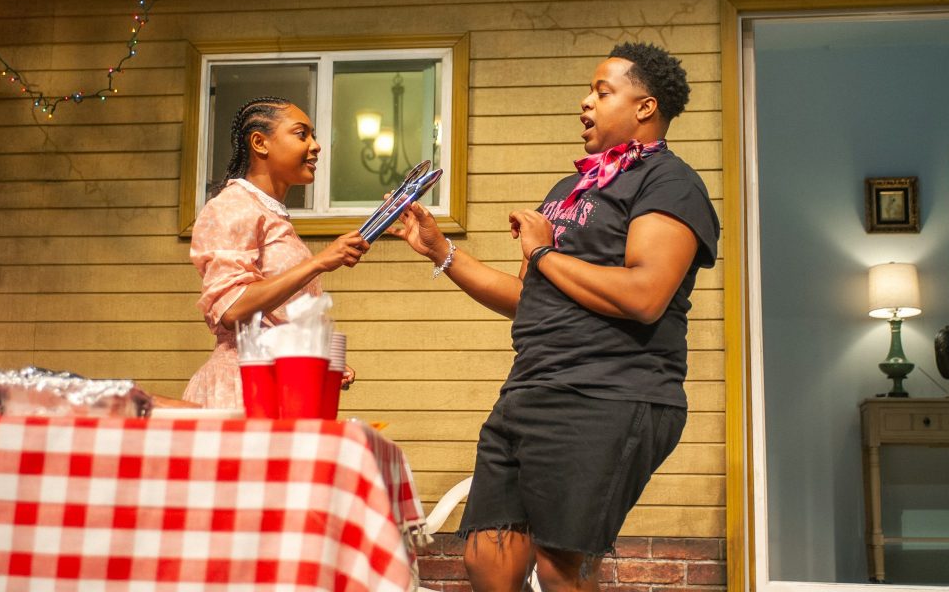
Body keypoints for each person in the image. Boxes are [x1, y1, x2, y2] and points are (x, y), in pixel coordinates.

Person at [390, 43, 720, 591]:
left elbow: (644, 294)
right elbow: (533, 298)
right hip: (532, 387)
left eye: (602, 91)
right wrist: (443, 252)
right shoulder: (571, 190)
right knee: (486, 557)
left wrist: (544, 252)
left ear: (645, 107)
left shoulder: (670, 182)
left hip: (610, 392)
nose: (585, 102)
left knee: (561, 565)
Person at [182, 96, 367, 409]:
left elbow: (272, 323)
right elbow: (232, 309)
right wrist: (320, 262)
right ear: (260, 143)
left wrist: (316, 363)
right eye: (301, 134)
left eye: (314, 135)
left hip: (282, 392)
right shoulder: (232, 206)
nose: (316, 145)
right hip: (240, 393)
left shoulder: (271, 215)